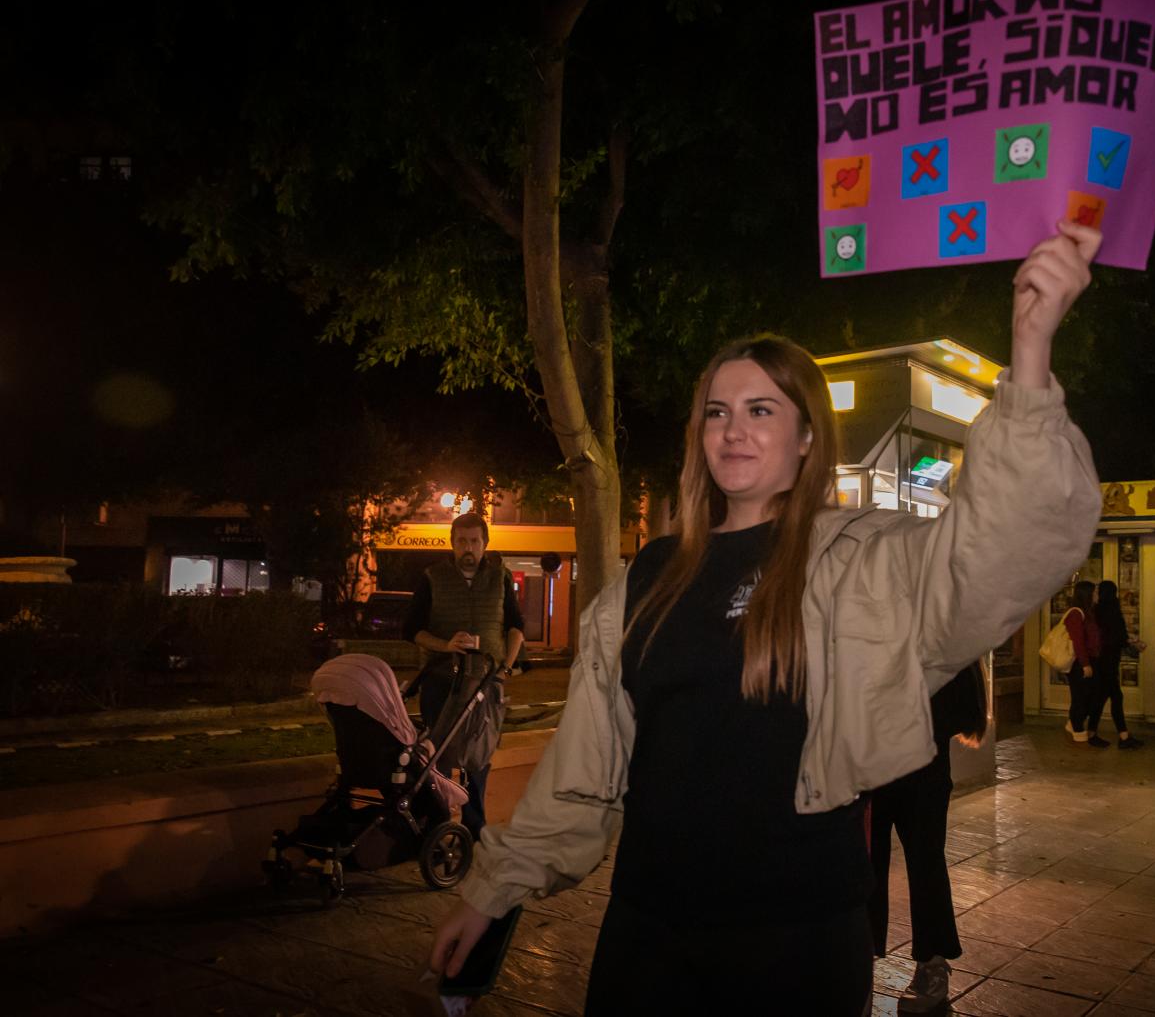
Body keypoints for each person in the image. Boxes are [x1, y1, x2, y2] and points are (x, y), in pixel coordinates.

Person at [427, 221, 1105, 1015]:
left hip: (798, 942)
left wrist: (1030, 356)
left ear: (807, 436)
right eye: (717, 412)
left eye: (760, 409)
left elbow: (1003, 550)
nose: (733, 428)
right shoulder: (646, 577)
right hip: (646, 937)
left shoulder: (856, 560)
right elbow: (581, 773)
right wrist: (492, 888)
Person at [867, 660, 987, 1013]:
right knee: (867, 865)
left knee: (925, 865)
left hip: (921, 768)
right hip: (876, 768)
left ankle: (933, 964)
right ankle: (861, 959)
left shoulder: (933, 629)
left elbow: (959, 704)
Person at [404, 510, 525, 840]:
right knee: (437, 752)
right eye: (461, 541)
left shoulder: (500, 577)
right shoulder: (432, 576)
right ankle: (437, 824)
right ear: (452, 544)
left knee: (479, 754)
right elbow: (412, 629)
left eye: (474, 541)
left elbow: (516, 626)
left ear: (485, 543)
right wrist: (445, 645)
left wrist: (506, 667)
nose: (468, 548)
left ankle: (474, 828)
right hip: (442, 679)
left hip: (486, 682)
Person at [1086, 580, 1143, 749]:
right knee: (1115, 697)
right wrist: (1132, 643)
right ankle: (1123, 736)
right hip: (1110, 661)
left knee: (1102, 696)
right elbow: (1118, 636)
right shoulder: (1113, 610)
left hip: (1099, 660)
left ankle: (1093, 732)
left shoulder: (1096, 610)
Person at [1061, 580, 1103, 746]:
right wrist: (1085, 664)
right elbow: (1078, 641)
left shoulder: (1090, 612)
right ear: (1087, 594)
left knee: (1091, 695)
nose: (1097, 595)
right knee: (1081, 696)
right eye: (1095, 592)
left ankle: (1074, 724)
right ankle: (1078, 730)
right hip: (1079, 662)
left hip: (1090, 659)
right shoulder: (1076, 614)